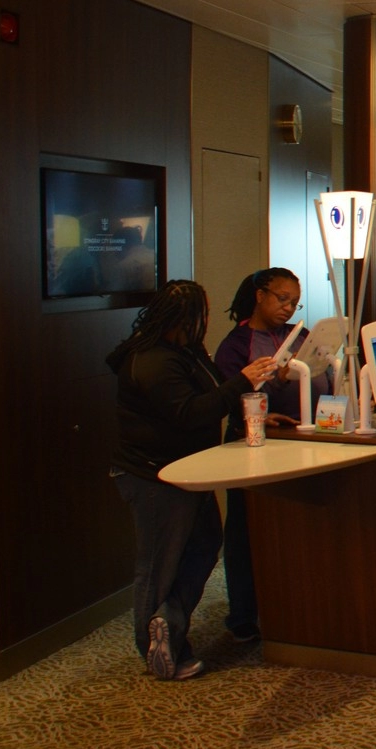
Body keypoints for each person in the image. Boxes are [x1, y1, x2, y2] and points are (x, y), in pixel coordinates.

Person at [106, 279, 280, 680]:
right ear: (186, 317)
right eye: (202, 313)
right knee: (158, 565)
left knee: (204, 545)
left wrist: (248, 405)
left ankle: (166, 622)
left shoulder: (185, 352)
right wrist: (243, 380)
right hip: (153, 475)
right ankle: (158, 649)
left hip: (187, 470)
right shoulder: (153, 361)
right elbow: (190, 413)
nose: (206, 320)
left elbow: (214, 395)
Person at [211, 268, 325, 643]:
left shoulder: (299, 337)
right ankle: (243, 615)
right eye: (282, 299)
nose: (288, 308)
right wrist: (263, 404)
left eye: (295, 302)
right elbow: (231, 397)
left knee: (295, 529)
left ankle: (294, 605)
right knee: (245, 530)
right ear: (260, 296)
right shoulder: (236, 345)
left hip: (300, 441)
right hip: (252, 444)